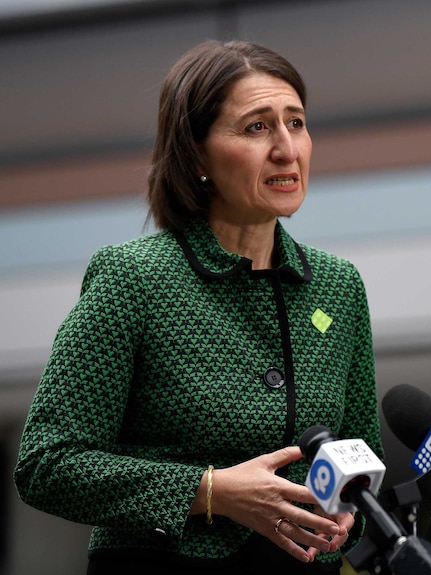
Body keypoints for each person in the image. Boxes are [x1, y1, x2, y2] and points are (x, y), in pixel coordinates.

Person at [14, 39, 383, 574]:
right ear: (197, 154)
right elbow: (46, 465)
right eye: (257, 127)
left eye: (296, 123)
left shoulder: (338, 286)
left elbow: (360, 459)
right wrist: (209, 491)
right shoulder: (134, 277)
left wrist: (350, 514)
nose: (287, 148)